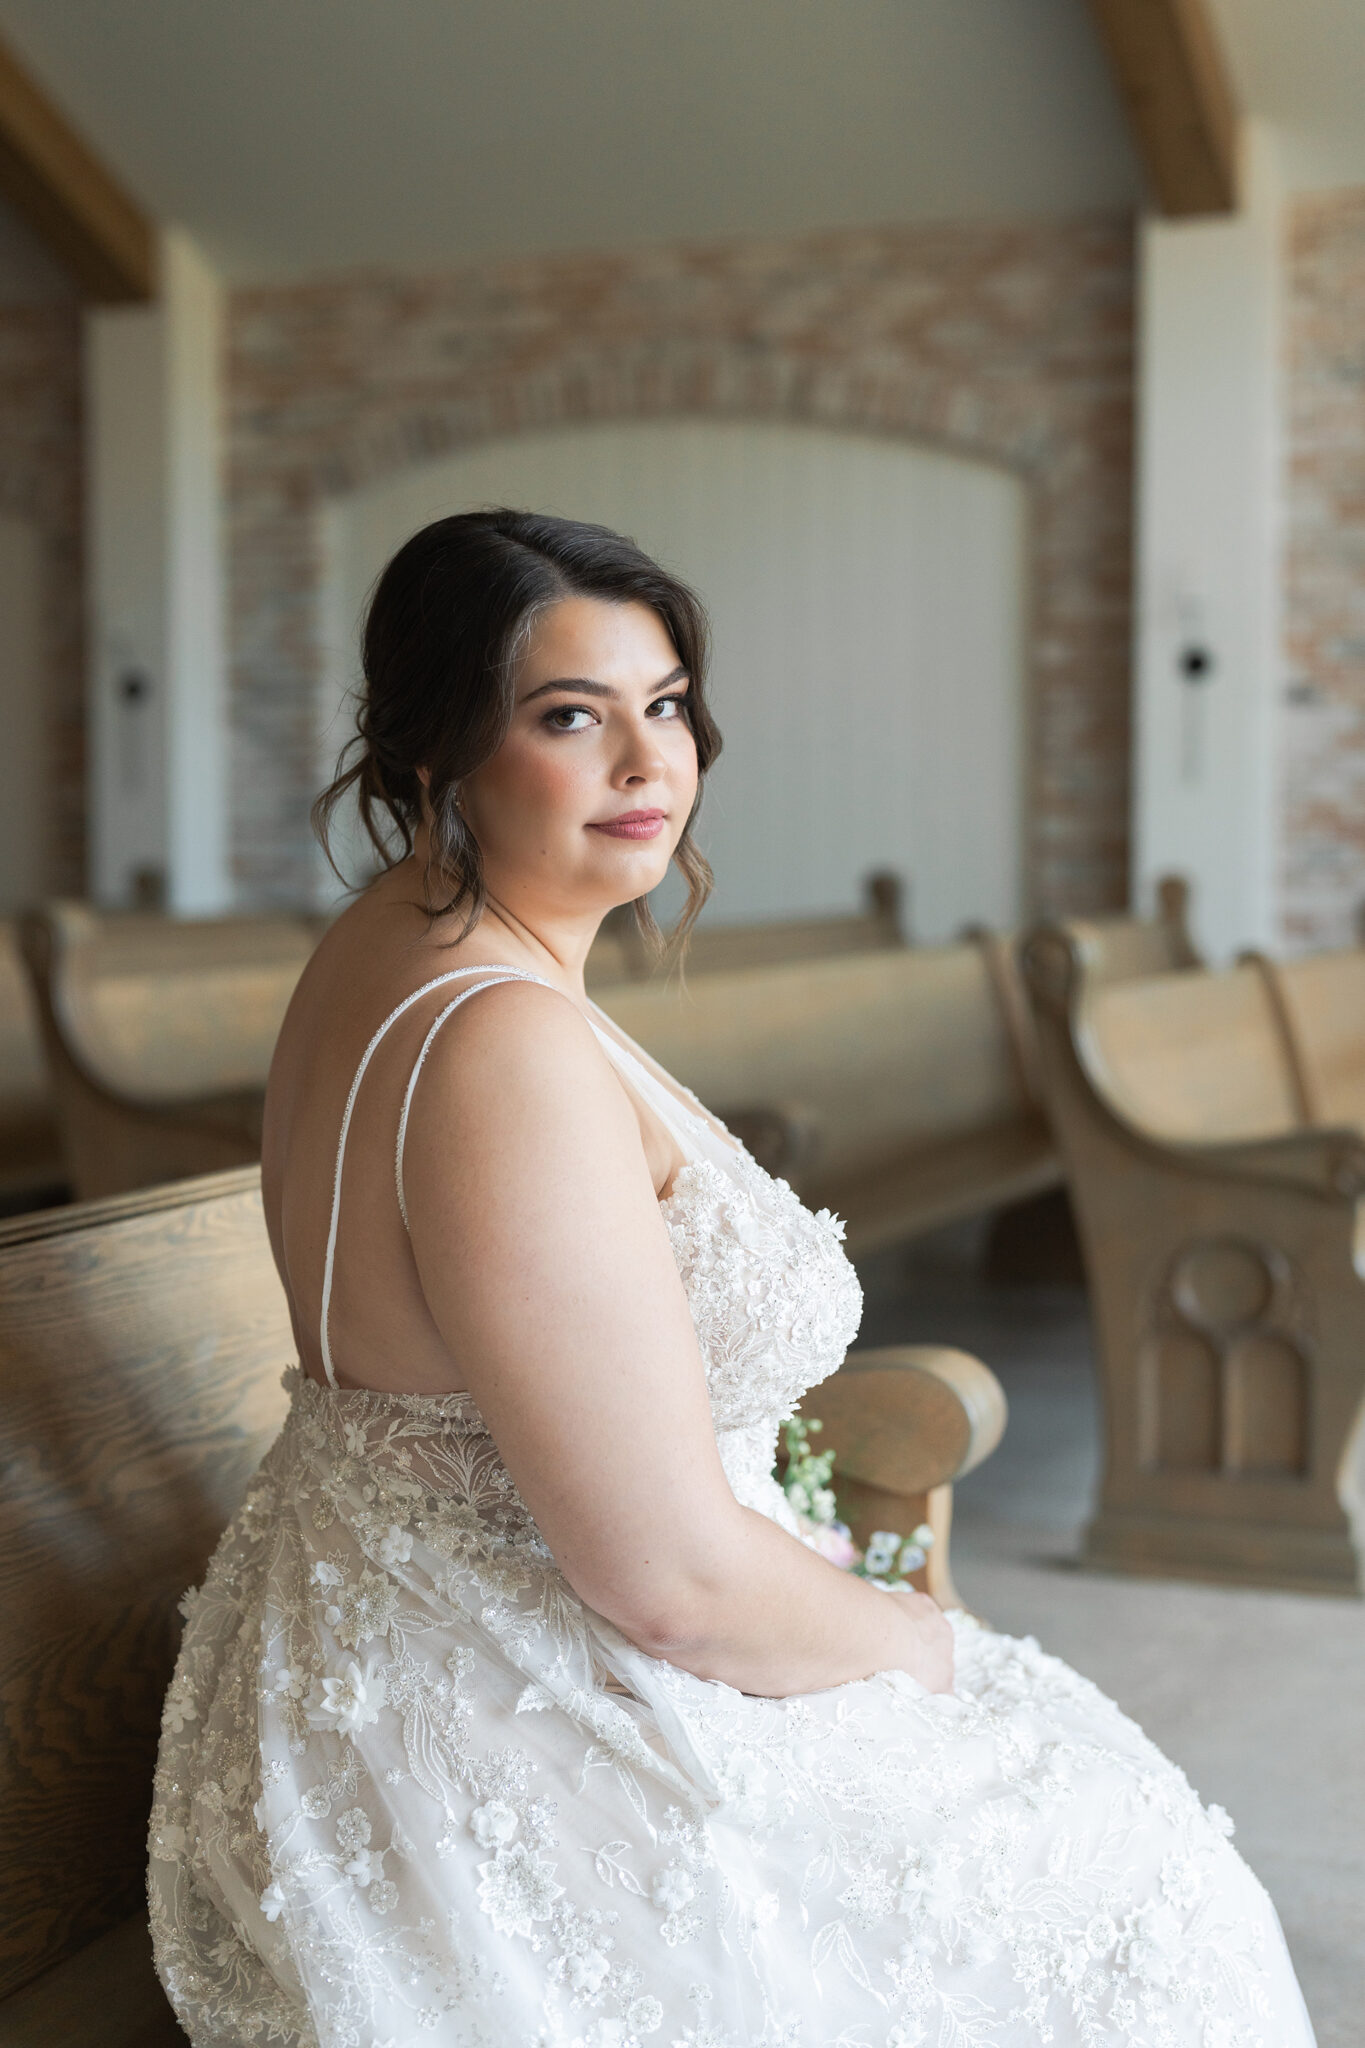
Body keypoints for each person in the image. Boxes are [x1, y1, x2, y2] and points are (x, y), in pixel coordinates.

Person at [149, 510, 1315, 2048]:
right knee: (1138, 1890)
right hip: (502, 1701)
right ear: (439, 748)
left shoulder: (399, 937)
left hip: (395, 1623)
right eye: (571, 716)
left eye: (668, 705)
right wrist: (906, 1637)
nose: (648, 765)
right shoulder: (497, 1041)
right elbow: (668, 1586)